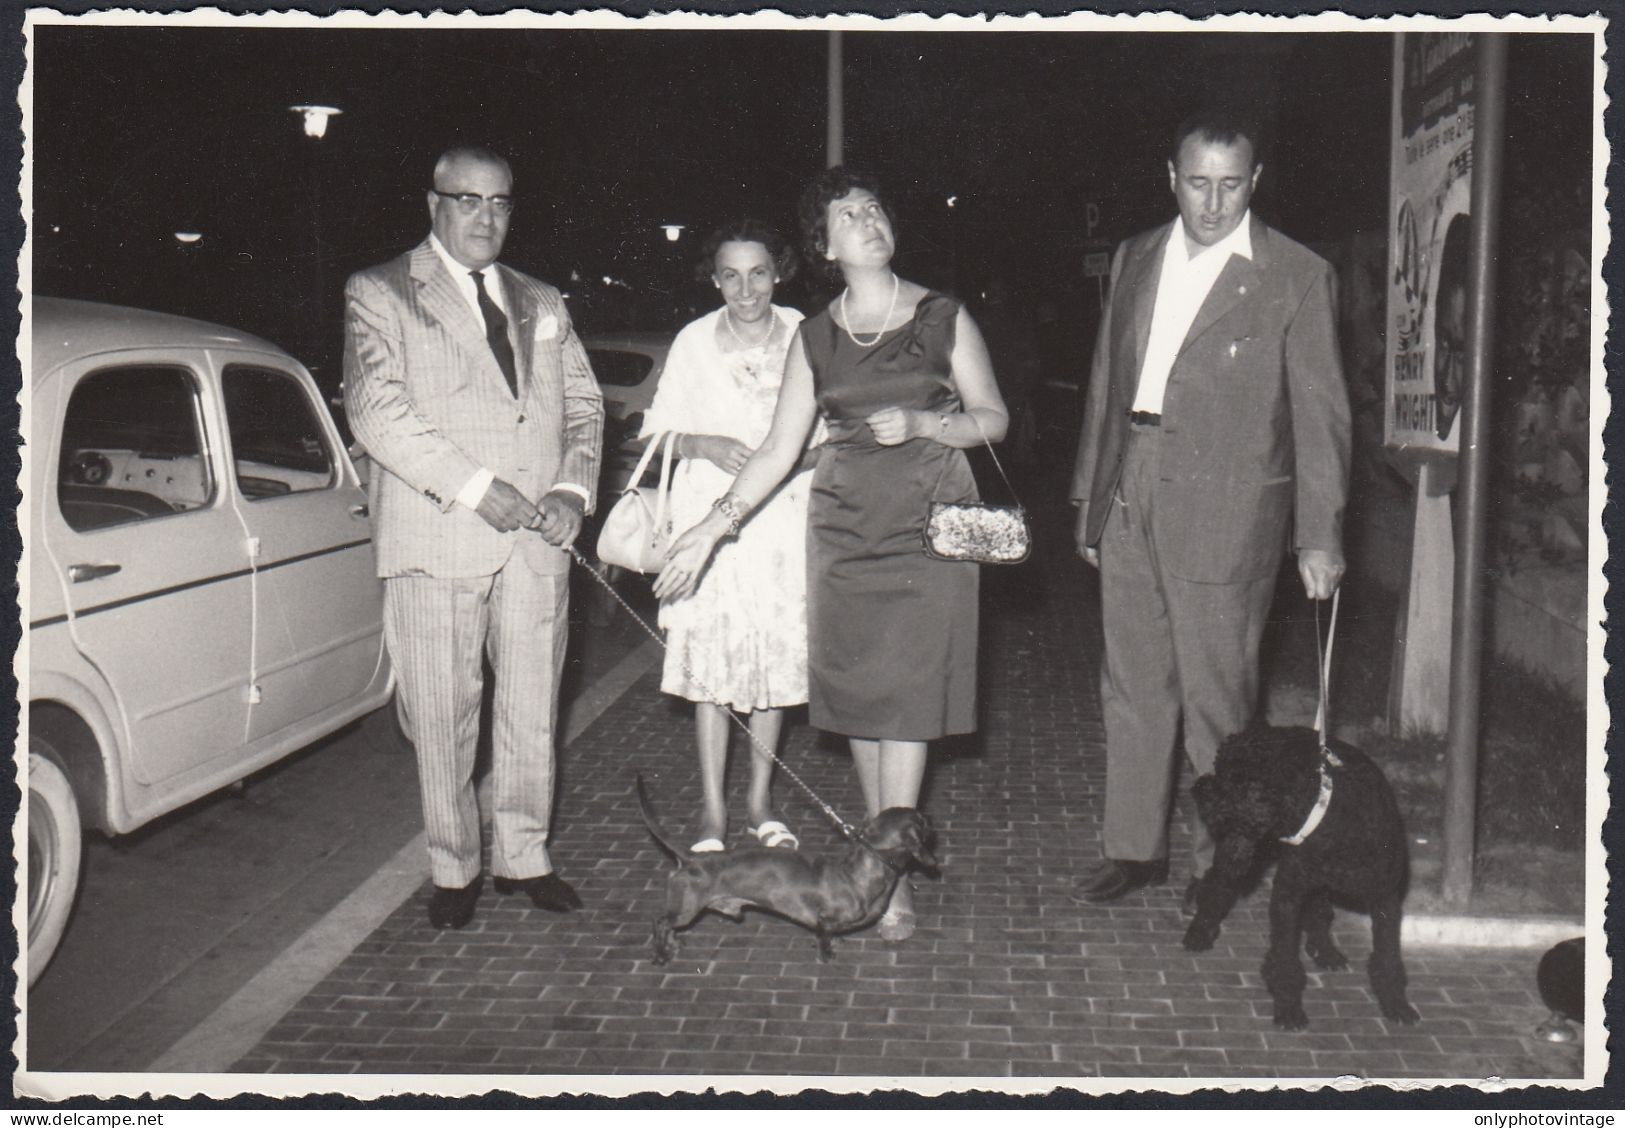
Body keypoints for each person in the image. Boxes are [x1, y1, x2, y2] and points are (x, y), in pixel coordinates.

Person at [655, 167, 1009, 942]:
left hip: (930, 519)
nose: (869, 220)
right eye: (849, 215)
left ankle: (892, 877)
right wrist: (711, 526)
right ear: (823, 245)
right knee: (860, 696)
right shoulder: (812, 337)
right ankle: (877, 848)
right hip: (845, 527)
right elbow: (778, 450)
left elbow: (992, 418)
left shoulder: (942, 314)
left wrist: (925, 425)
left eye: (875, 208)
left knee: (910, 698)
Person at [1069, 109, 1351, 907]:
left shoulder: (1295, 275)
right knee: (1130, 683)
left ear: (1254, 183)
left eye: (1231, 185)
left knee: (1216, 698)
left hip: (1227, 506)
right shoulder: (1134, 256)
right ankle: (1133, 850)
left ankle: (1217, 862)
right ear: (1171, 176)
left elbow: (1321, 415)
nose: (1213, 202)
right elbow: (1105, 383)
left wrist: (1318, 536)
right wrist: (1090, 500)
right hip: (1132, 480)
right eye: (1197, 182)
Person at [344, 145, 604, 929]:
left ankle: (525, 856)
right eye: (468, 200)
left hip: (535, 545)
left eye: (500, 202)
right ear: (433, 205)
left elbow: (586, 405)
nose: (486, 217)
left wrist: (569, 488)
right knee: (442, 712)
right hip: (439, 533)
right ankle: (453, 866)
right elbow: (377, 410)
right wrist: (474, 486)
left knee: (532, 709)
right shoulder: (380, 292)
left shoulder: (541, 297)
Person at [639, 219, 814, 854]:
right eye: (731, 276)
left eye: (759, 273)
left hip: (785, 523)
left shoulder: (805, 334)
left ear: (780, 272)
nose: (746, 290)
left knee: (774, 663)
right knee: (713, 668)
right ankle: (712, 810)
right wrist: (702, 442)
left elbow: (829, 435)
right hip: (706, 522)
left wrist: (789, 461)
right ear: (714, 278)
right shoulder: (692, 341)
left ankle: (759, 800)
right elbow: (651, 432)